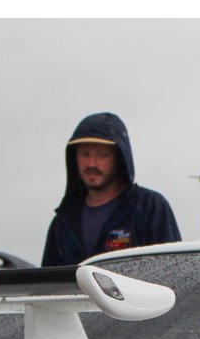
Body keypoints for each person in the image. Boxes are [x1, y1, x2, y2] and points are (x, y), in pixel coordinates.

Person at [42, 112, 180, 266]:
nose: (91, 163)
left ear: (119, 158)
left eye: (102, 155)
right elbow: (47, 280)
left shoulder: (150, 208)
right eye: (85, 154)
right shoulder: (63, 222)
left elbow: (174, 269)